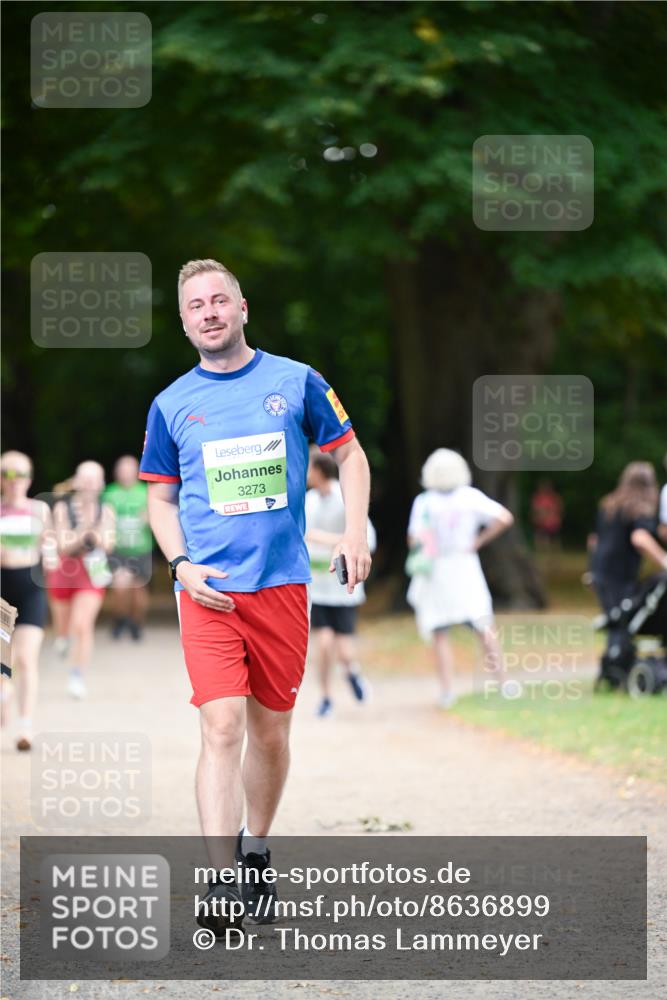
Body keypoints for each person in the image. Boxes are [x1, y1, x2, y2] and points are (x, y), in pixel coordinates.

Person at [138, 258, 371, 934]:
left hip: (282, 587)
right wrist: (180, 564)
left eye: (219, 300)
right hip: (207, 590)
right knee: (220, 728)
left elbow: (350, 455)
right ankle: (219, 879)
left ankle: (256, 850)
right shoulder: (171, 404)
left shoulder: (296, 381)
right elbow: (161, 499)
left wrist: (353, 533)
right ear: (184, 324)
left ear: (243, 309)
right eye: (195, 306)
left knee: (270, 733)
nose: (209, 312)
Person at [406, 449, 513, 709]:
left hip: (437, 568)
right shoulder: (470, 497)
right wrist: (478, 541)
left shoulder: (425, 501)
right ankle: (504, 682)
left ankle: (447, 691)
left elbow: (413, 538)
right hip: (465, 566)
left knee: (439, 632)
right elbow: (504, 517)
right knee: (484, 626)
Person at [306, 450, 376, 718]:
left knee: (345, 651)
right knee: (323, 644)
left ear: (319, 470)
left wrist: (324, 539)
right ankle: (325, 697)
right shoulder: (309, 500)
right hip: (317, 587)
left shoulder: (344, 497)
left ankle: (352, 672)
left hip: (343, 586)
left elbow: (366, 538)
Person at [47, 461, 116, 699]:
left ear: (101, 484)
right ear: (76, 482)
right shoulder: (62, 508)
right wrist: (87, 530)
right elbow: (63, 546)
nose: (89, 485)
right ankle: (62, 638)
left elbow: (108, 544)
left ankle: (77, 675)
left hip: (92, 572)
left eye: (94, 480)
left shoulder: (106, 509)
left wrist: (90, 535)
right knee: (63, 626)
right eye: (85, 480)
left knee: (82, 625)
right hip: (64, 572)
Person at [0, 451, 54, 751]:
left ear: (29, 479)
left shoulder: (39, 510)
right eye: (7, 474)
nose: (13, 480)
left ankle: (25, 726)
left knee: (25, 658)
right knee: (2, 662)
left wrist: (52, 554)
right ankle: (4, 692)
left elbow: (50, 545)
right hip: (2, 591)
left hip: (31, 589)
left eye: (19, 474)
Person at [589, 462, 667, 642]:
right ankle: (619, 656)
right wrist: (664, 559)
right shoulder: (639, 510)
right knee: (623, 622)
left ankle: (616, 655)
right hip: (620, 574)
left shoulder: (609, 505)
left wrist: (592, 570)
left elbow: (594, 540)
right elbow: (640, 538)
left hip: (601, 571)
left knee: (616, 620)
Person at [103, 455, 153, 640]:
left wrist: (149, 517)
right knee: (120, 587)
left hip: (142, 549)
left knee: (139, 593)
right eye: (122, 470)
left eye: (129, 470)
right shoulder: (109, 492)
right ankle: (119, 619)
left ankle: (136, 623)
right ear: (116, 472)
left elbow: (155, 518)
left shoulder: (146, 491)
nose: (125, 474)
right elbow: (105, 518)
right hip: (119, 549)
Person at [530, 478, 563, 552]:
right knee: (541, 537)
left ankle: (554, 553)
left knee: (554, 539)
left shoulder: (554, 497)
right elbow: (535, 510)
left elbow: (557, 509)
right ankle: (543, 552)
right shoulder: (538, 498)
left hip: (552, 522)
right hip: (540, 522)